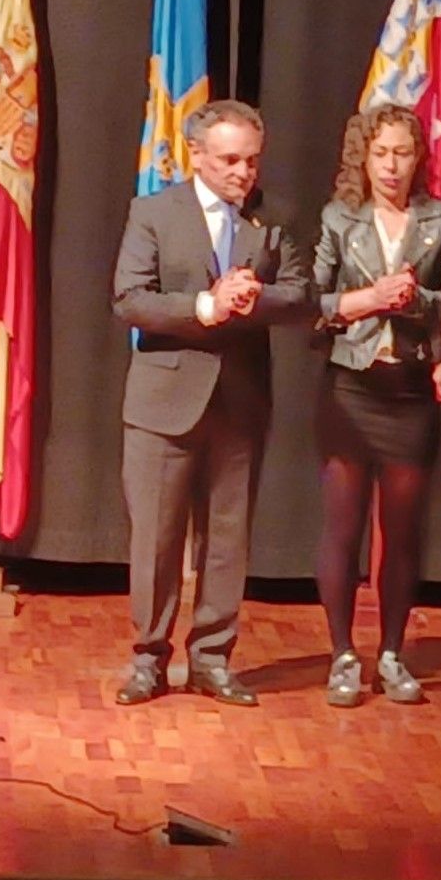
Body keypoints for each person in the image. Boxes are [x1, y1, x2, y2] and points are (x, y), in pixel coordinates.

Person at [110, 100, 308, 707]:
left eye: (251, 160)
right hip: (165, 402)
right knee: (158, 539)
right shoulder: (154, 213)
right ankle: (148, 656)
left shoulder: (274, 218)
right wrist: (203, 307)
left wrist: (254, 299)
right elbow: (129, 298)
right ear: (196, 154)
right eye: (229, 160)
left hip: (240, 402)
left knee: (226, 538)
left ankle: (212, 657)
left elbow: (301, 296)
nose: (243, 173)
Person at [309, 105, 441, 708]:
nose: (393, 166)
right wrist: (366, 298)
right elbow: (313, 303)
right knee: (343, 528)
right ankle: (343, 653)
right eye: (381, 154)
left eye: (403, 152)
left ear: (418, 156)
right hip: (350, 389)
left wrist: (414, 300)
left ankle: (392, 652)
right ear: (362, 159)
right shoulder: (339, 218)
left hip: (410, 393)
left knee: (401, 533)